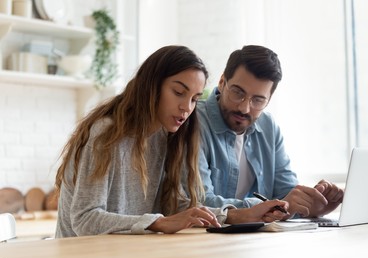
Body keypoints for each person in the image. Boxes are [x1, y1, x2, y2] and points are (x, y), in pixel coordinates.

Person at [54, 45, 288, 238]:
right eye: (178, 92)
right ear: (152, 85)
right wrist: (158, 223)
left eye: (195, 99)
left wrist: (237, 215)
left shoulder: (168, 137)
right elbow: (84, 219)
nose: (186, 108)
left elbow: (178, 206)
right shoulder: (106, 133)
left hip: (126, 257)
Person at [197, 45, 343, 219]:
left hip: (258, 239)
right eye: (237, 92)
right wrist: (271, 207)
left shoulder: (268, 126)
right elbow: (200, 202)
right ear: (222, 82)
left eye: (258, 100)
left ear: (269, 99)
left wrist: (312, 203)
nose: (244, 108)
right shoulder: (194, 122)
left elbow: (286, 192)